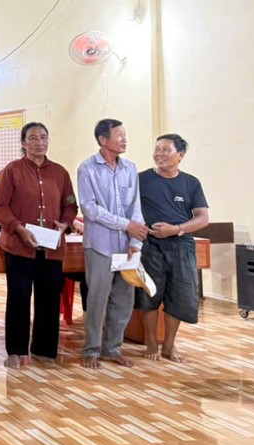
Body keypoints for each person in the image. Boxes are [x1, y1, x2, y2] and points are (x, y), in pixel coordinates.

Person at [0, 123, 78, 369]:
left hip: (51, 247)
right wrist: (19, 229)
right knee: (19, 296)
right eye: (32, 138)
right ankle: (16, 350)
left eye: (43, 137)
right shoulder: (11, 171)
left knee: (49, 298)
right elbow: (1, 206)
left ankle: (44, 350)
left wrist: (64, 225)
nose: (39, 143)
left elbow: (70, 205)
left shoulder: (60, 173)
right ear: (23, 143)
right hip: (19, 246)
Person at [77, 118, 148, 369]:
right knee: (97, 299)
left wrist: (135, 242)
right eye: (119, 135)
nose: (124, 139)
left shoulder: (130, 168)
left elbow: (136, 208)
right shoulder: (87, 169)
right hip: (100, 245)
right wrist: (126, 225)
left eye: (125, 134)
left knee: (124, 300)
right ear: (103, 140)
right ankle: (91, 350)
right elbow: (90, 209)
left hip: (126, 247)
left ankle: (112, 349)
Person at [137, 134, 209, 362]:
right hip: (150, 245)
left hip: (181, 246)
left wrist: (176, 229)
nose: (159, 154)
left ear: (180, 155)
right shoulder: (141, 179)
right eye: (157, 149)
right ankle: (151, 342)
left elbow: (203, 217)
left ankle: (169, 345)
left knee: (179, 296)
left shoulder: (191, 183)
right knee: (149, 295)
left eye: (165, 150)